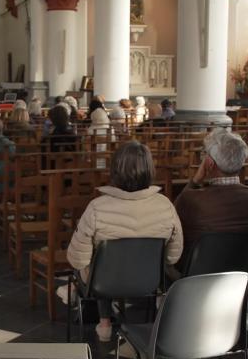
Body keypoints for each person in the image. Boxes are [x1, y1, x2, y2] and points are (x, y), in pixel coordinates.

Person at [64, 142, 183, 342]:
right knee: (104, 263)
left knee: (97, 263)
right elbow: (173, 255)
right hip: (149, 281)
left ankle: (104, 322)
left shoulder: (97, 207)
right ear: (149, 169)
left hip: (104, 283)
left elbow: (77, 259)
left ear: (115, 171)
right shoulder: (165, 206)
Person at [173, 129, 248, 274]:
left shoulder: (192, 199)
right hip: (238, 277)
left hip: (197, 277)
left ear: (209, 163)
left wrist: (196, 179)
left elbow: (174, 218)